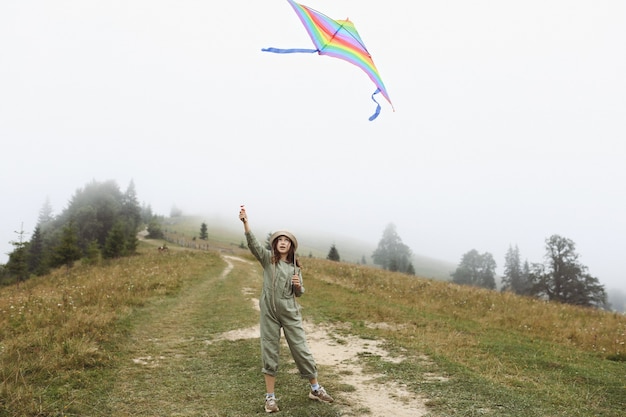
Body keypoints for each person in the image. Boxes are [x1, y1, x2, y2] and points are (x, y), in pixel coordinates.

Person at [239, 206, 334, 413]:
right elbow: (253, 244)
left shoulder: (295, 268)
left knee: (301, 350)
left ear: (291, 246)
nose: (283, 242)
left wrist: (297, 285)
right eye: (279, 240)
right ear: (275, 244)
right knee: (269, 351)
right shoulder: (267, 260)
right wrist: (246, 222)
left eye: (286, 240)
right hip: (269, 313)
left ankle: (315, 389)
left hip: (290, 313)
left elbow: (299, 293)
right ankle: (270, 398)